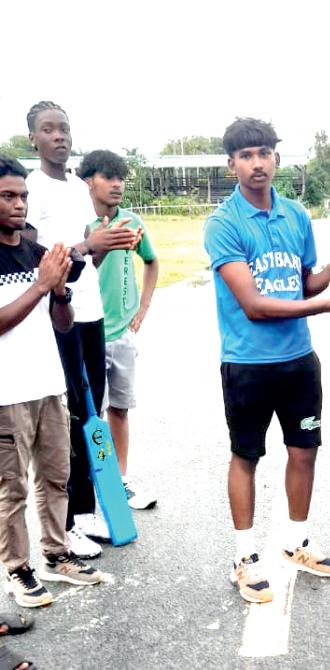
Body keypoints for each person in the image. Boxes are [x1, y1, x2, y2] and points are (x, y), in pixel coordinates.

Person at [203, 118, 330, 604]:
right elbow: (254, 305)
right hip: (248, 363)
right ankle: (244, 557)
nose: (257, 163)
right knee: (246, 456)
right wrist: (329, 305)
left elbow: (303, 282)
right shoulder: (223, 224)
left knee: (304, 450)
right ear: (231, 164)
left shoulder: (295, 215)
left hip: (299, 360)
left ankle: (297, 543)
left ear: (276, 158)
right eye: (246, 155)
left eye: (264, 153)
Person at [25, 102, 139, 559]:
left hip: (92, 314)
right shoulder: (30, 188)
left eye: (64, 128)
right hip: (58, 317)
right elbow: (33, 255)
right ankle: (69, 521)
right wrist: (88, 243)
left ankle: (90, 510)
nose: (59, 136)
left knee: (93, 414)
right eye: (48, 129)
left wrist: (107, 246)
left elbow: (86, 260)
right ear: (33, 138)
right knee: (69, 417)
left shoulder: (77, 187)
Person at [0, 156, 104, 613]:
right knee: (12, 489)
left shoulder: (35, 251)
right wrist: (42, 286)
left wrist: (59, 291)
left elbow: (63, 324)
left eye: (22, 196)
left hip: (48, 385)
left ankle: (57, 554)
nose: (18, 204)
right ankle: (17, 569)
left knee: (56, 477)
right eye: (7, 196)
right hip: (7, 394)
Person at [79, 150, 159, 510]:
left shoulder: (131, 221)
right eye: (108, 177)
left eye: (121, 178)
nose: (117, 184)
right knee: (89, 415)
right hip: (87, 334)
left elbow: (152, 262)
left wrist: (143, 307)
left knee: (120, 410)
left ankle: (118, 481)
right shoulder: (81, 225)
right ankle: (93, 486)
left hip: (122, 334)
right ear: (88, 182)